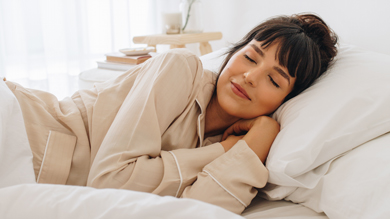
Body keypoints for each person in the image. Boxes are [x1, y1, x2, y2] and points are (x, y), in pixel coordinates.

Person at [4, 13, 337, 214]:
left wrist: (252, 149)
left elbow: (198, 213)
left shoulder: (239, 146)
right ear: (233, 53)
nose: (250, 76)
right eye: (250, 58)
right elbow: (108, 181)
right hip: (22, 126)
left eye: (274, 80)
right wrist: (222, 150)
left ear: (285, 101)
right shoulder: (180, 68)